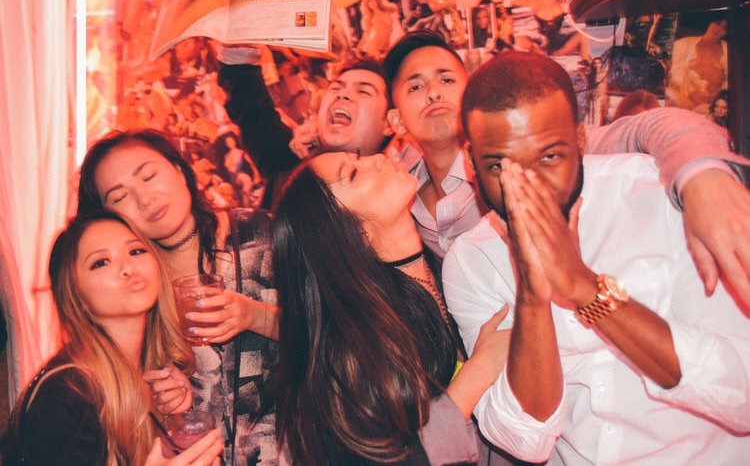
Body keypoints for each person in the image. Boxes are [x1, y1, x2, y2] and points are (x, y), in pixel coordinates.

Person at [443, 51, 750, 464]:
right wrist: (532, 294)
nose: (529, 186)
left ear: (580, 140)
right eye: (500, 165)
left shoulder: (658, 196)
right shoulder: (471, 260)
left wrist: (587, 291)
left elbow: (742, 396)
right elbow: (524, 441)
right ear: (470, 162)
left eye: (549, 157)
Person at [382, 29, 750, 302]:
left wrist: (703, 178)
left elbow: (654, 126)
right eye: (415, 87)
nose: (433, 92)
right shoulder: (399, 194)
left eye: (447, 79)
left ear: (473, 94)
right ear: (397, 120)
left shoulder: (544, 150)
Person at [271, 151, 511, 464]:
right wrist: (479, 371)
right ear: (355, 234)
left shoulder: (444, 268)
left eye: (359, 157)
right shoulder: (354, 352)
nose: (377, 158)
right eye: (353, 173)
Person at [77, 130, 280, 465]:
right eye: (120, 197)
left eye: (149, 176)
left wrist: (255, 316)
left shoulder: (263, 232)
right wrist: (161, 401)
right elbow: (123, 404)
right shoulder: (134, 289)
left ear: (179, 170)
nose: (145, 198)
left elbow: (340, 332)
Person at [3, 211, 224, 465]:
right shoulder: (67, 395)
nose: (128, 268)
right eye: (101, 262)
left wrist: (175, 419)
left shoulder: (155, 375)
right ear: (77, 296)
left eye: (136, 251)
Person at [217, 47, 394, 207]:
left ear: (390, 122)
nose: (343, 94)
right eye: (335, 88)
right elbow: (252, 110)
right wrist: (240, 46)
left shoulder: (394, 198)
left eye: (363, 91)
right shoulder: (291, 163)